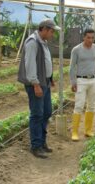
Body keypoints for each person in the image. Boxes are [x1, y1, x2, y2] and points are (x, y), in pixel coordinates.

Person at [18, 19, 61, 158]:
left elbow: (45, 62)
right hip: (36, 83)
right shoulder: (32, 42)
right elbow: (30, 65)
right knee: (37, 114)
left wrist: (50, 78)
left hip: (45, 82)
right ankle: (36, 146)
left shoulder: (43, 42)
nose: (53, 34)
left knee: (47, 112)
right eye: (52, 31)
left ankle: (42, 142)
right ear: (44, 29)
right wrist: (36, 84)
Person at [69, 28, 95, 141]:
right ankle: (75, 132)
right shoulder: (76, 50)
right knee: (79, 105)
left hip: (94, 80)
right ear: (83, 37)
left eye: (92, 38)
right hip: (81, 81)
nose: (90, 40)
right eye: (88, 37)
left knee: (91, 105)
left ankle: (88, 130)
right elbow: (72, 67)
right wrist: (73, 82)